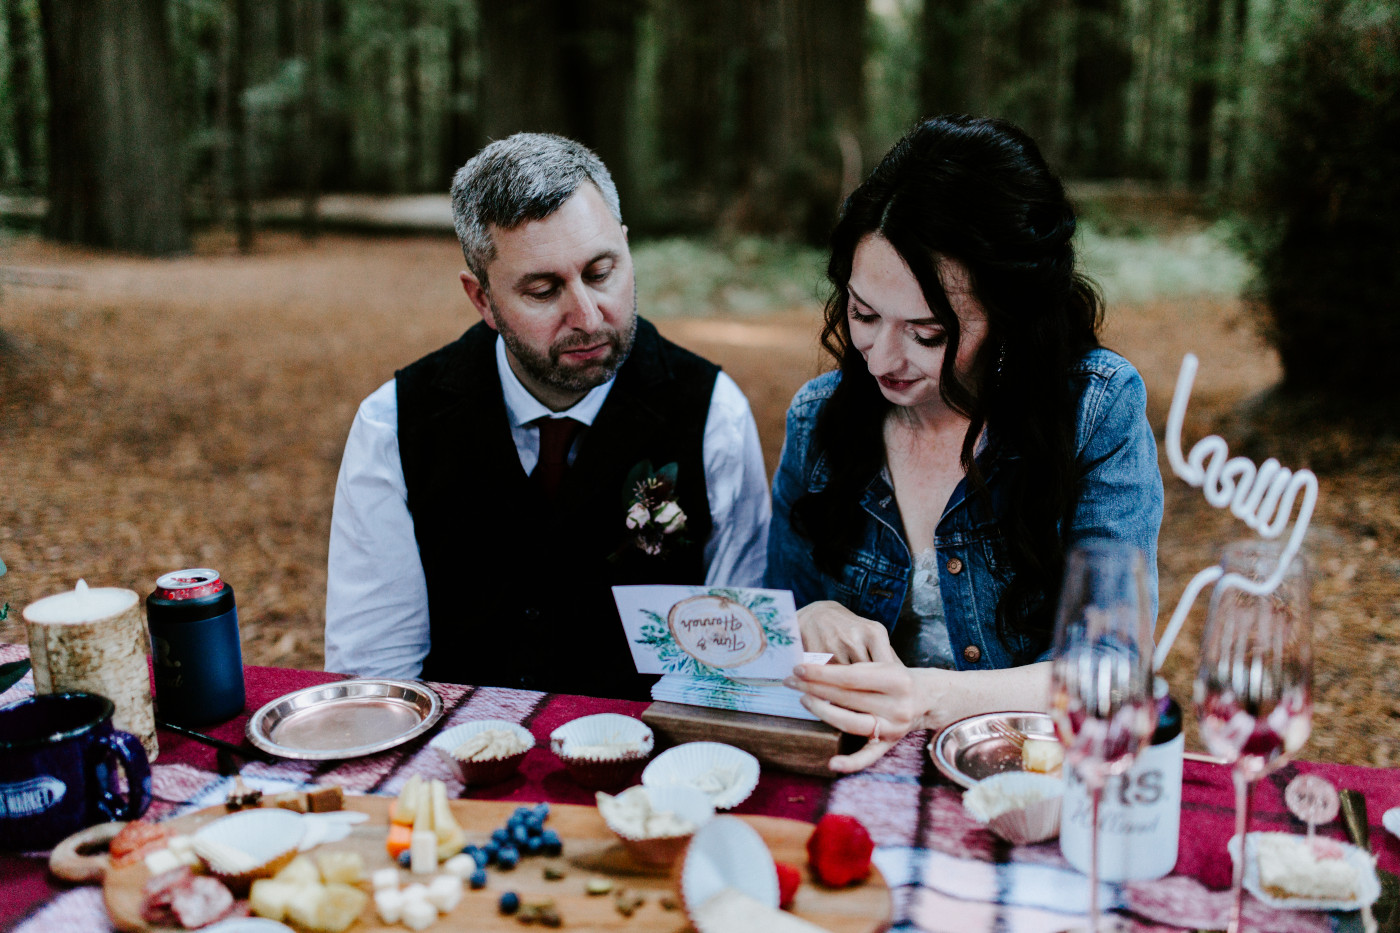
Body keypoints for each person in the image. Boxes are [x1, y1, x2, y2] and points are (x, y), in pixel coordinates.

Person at [767, 115, 1163, 771]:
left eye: (927, 332)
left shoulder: (1095, 409)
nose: (882, 356)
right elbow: (773, 614)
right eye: (864, 314)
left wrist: (925, 697)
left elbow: (1112, 672)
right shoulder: (820, 420)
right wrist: (812, 616)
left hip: (1033, 788)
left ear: (1007, 317)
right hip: (853, 785)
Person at [325, 133, 770, 700]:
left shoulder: (712, 414)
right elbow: (376, 675)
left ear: (628, 250)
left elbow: (740, 661)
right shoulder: (395, 425)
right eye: (543, 289)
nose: (586, 315)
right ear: (482, 299)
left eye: (602, 272)